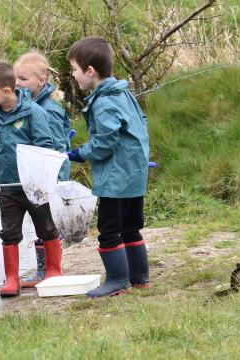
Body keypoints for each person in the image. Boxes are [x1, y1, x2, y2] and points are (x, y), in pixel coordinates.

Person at [66, 36, 150, 298]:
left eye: (75, 70)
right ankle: (140, 278)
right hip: (134, 175)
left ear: (90, 71)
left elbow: (105, 143)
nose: (73, 75)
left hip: (116, 180)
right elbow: (140, 124)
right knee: (131, 228)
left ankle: (117, 280)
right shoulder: (124, 93)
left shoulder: (103, 102)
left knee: (109, 231)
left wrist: (79, 153)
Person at [0, 60, 64, 297]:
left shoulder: (34, 112)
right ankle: (12, 279)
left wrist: (38, 177)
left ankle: (54, 271)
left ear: (6, 91)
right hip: (8, 188)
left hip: (34, 187)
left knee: (46, 228)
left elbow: (45, 147)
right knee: (9, 231)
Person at [13, 51, 72, 288]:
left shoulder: (49, 110)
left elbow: (57, 149)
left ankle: (48, 270)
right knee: (40, 224)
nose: (17, 83)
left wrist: (52, 180)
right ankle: (43, 269)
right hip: (35, 175)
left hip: (49, 177)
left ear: (41, 80)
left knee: (46, 224)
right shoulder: (28, 106)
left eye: (24, 79)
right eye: (15, 78)